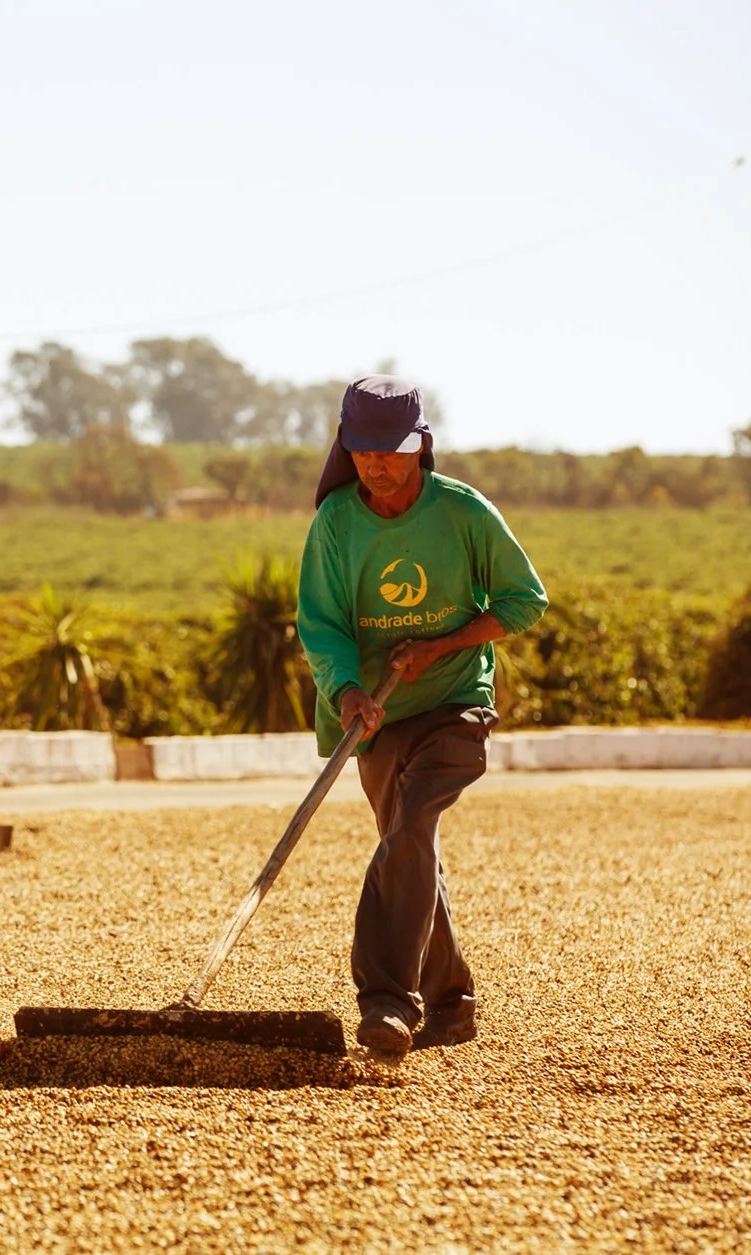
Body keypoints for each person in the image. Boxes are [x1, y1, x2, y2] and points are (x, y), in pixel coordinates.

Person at [296, 376, 548, 1057]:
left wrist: (441, 643)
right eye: (363, 451)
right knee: (410, 850)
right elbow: (320, 625)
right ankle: (452, 1001)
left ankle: (385, 999)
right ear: (345, 448)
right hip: (375, 713)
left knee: (408, 830)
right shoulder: (336, 524)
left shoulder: (462, 513)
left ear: (420, 445)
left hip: (453, 704)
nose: (377, 465)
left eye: (392, 451)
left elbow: (524, 600)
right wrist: (347, 690)